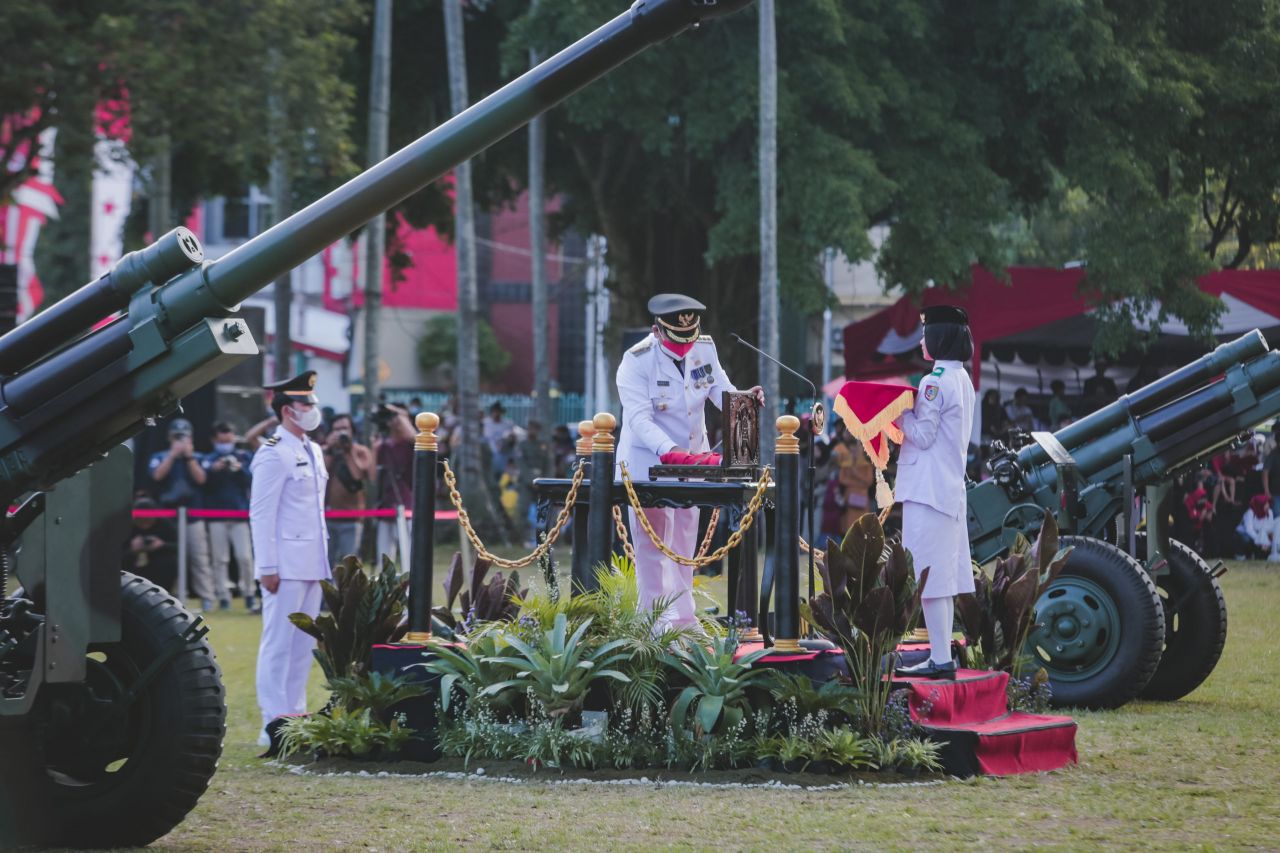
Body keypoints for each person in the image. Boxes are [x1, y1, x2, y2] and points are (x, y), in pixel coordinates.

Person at [615, 293, 764, 629]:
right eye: (677, 338)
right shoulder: (636, 360)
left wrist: (744, 400)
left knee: (684, 541)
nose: (685, 345)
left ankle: (684, 618)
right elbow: (639, 420)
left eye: (689, 337)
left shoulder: (703, 348)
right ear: (657, 331)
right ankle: (653, 621)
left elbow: (720, 390)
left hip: (694, 462)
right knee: (653, 544)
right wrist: (670, 452)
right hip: (647, 463)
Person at [893, 305, 977, 680]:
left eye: (926, 334)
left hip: (928, 489)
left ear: (938, 339)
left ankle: (941, 657)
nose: (922, 340)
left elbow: (923, 435)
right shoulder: (962, 379)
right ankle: (940, 655)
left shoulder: (934, 381)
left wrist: (894, 412)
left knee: (929, 574)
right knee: (941, 576)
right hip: (948, 487)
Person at [250, 370, 331, 746]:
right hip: (284, 564)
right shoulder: (273, 452)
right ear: (286, 411)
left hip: (312, 560)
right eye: (305, 404)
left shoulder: (312, 450)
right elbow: (262, 513)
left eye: (312, 403)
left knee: (303, 645)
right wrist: (266, 566)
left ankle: (294, 713)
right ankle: (272, 722)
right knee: (279, 642)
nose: (312, 410)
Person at [149, 418, 217, 611]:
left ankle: (207, 598)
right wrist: (172, 455)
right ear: (169, 437)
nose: (179, 439)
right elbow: (156, 476)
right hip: (168, 517)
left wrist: (188, 457)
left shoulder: (198, 456)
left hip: (193, 515)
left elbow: (201, 478)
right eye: (176, 436)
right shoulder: (160, 456)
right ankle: (169, 599)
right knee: (170, 558)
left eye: (183, 436)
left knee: (199, 557)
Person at [201, 421, 255, 611]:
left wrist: (238, 468)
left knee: (245, 557)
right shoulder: (208, 459)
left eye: (228, 440)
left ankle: (249, 593)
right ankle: (223, 597)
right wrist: (214, 469)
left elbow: (251, 479)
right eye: (221, 440)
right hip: (216, 516)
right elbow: (203, 482)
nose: (225, 444)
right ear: (214, 440)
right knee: (219, 559)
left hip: (239, 514)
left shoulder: (243, 456)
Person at [323, 413, 375, 568]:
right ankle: (326, 593)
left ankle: (349, 593)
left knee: (350, 564)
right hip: (327, 517)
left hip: (352, 518)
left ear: (352, 430)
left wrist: (349, 449)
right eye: (336, 429)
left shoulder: (361, 451)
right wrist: (329, 449)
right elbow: (319, 475)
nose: (340, 433)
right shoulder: (324, 450)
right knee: (326, 564)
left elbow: (357, 476)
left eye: (344, 428)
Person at [374, 403, 415, 565]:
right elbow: (372, 475)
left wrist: (400, 415)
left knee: (409, 551)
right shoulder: (383, 445)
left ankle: (411, 586)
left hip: (405, 502)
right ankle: (386, 587)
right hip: (385, 502)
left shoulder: (410, 444)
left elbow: (416, 437)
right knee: (383, 555)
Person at [122, 496, 179, 593]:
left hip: (158, 564)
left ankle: (163, 592)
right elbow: (115, 553)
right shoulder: (126, 526)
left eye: (148, 520)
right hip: (131, 565)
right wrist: (132, 550)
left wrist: (162, 545)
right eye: (141, 521)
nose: (145, 525)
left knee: (168, 561)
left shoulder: (164, 524)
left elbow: (178, 546)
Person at [483, 402, 516, 481]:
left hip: (504, 454)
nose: (496, 413)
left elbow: (512, 437)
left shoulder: (508, 424)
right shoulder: (485, 423)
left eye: (498, 411)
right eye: (495, 411)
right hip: (489, 454)